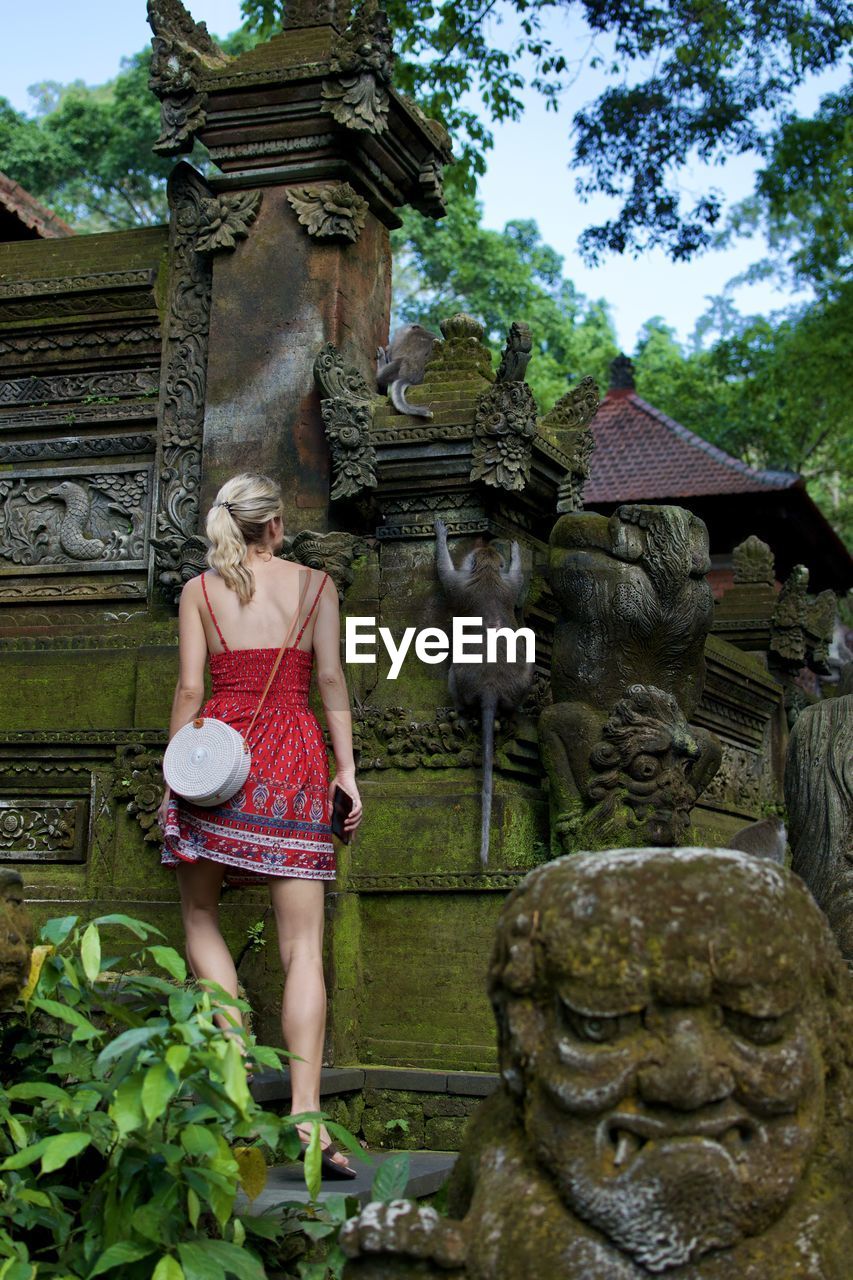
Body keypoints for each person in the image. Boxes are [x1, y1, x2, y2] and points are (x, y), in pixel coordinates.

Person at [158, 472, 362, 1177]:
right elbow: (331, 681)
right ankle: (307, 1120)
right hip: (296, 757)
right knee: (303, 947)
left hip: (220, 755)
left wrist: (171, 774)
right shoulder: (315, 588)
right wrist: (347, 772)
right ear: (275, 523)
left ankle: (234, 1050)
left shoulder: (198, 592)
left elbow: (190, 687)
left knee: (200, 913)